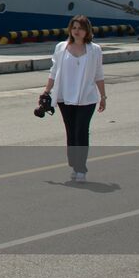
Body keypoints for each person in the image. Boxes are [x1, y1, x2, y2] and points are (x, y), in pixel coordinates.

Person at [41, 15, 106, 182]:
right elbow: (54, 71)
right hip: (64, 98)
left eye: (80, 28)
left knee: (81, 131)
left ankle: (81, 169)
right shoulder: (61, 48)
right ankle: (74, 164)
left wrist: (103, 96)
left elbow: (99, 74)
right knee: (71, 132)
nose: (77, 31)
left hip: (87, 98)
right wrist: (46, 91)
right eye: (74, 28)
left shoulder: (95, 50)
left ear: (87, 31)